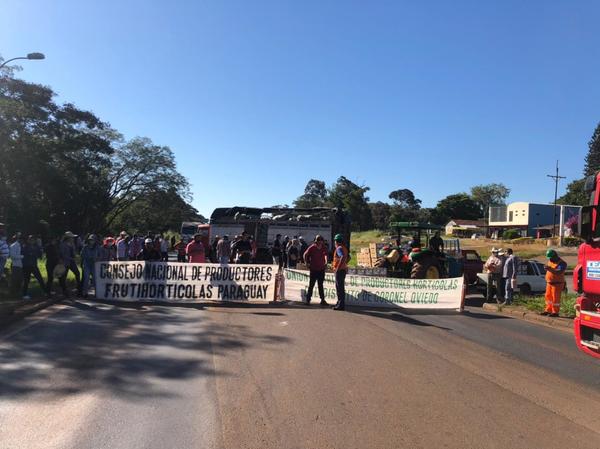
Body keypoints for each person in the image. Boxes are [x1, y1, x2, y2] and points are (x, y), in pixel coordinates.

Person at [21, 235, 49, 299]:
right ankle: (24, 294)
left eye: (33, 240)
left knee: (40, 279)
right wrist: (31, 254)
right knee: (26, 280)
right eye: (30, 239)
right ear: (28, 240)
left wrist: (40, 251)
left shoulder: (36, 247)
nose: (32, 241)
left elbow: (40, 256)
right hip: (26, 266)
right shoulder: (25, 247)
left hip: (34, 265)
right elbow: (23, 255)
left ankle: (46, 292)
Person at [303, 235, 328, 305]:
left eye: (320, 241)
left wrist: (326, 262)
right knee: (311, 285)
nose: (319, 242)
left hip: (321, 269)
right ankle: (308, 300)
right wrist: (306, 263)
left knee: (320, 285)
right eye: (318, 241)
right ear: (316, 241)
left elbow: (325, 255)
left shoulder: (324, 247)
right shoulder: (312, 247)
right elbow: (305, 254)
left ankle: (322, 300)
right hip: (313, 269)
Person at [542, 249, 567, 317]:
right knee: (548, 297)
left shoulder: (562, 263)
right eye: (549, 258)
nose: (550, 259)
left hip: (557, 284)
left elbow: (558, 272)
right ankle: (548, 310)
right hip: (549, 283)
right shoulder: (550, 261)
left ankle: (555, 312)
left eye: (551, 258)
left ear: (555, 256)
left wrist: (549, 269)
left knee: (555, 299)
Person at [60, 231, 82, 297]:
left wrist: (75, 257)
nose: (73, 238)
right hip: (65, 263)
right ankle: (64, 291)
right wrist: (72, 258)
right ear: (68, 238)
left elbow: (73, 253)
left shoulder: (72, 244)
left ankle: (79, 289)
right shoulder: (62, 244)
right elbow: (63, 255)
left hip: (72, 262)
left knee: (77, 273)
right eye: (72, 237)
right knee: (63, 277)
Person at [332, 234, 349, 311]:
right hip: (343, 270)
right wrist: (344, 264)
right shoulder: (344, 248)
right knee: (341, 287)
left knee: (339, 288)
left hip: (339, 271)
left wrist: (338, 268)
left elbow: (342, 257)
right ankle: (339, 303)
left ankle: (340, 305)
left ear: (336, 241)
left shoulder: (339, 248)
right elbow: (349, 257)